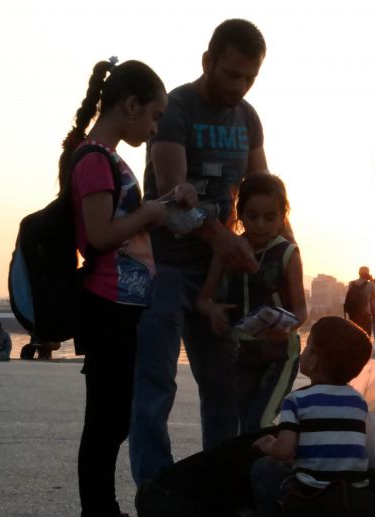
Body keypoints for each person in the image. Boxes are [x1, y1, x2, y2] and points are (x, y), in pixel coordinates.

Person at [61, 57, 197, 517]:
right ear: (130, 105)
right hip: (106, 303)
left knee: (114, 416)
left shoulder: (105, 158)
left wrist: (165, 203)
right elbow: (98, 236)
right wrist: (151, 210)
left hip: (122, 302)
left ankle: (106, 514)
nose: (156, 127)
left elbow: (125, 225)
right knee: (105, 419)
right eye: (154, 116)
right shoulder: (95, 158)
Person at [130, 19, 268, 487]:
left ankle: (221, 488)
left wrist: (278, 251)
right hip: (166, 266)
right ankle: (156, 492)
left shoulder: (247, 118)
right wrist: (223, 239)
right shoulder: (177, 108)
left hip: (217, 273)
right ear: (207, 61)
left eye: (249, 77)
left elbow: (260, 192)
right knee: (155, 387)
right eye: (231, 74)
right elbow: (170, 194)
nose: (239, 86)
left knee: (223, 387)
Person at [248, 316, 373, 517]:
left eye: (307, 346)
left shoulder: (297, 401)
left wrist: (267, 445)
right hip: (352, 495)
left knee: (263, 469)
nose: (303, 351)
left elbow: (284, 451)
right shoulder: (358, 402)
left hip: (311, 495)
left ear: (313, 360)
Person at [196, 173, 307, 432]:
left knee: (258, 422)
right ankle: (262, 468)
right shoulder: (230, 249)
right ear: (240, 214)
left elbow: (301, 311)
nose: (260, 225)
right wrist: (212, 310)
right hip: (244, 353)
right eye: (252, 216)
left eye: (269, 217)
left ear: (282, 216)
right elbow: (203, 299)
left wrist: (286, 327)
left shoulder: (288, 253)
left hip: (281, 355)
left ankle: (278, 461)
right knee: (245, 425)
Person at [343, 267, 375, 337]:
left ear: (359, 273)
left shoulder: (351, 283)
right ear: (368, 274)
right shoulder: (371, 285)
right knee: (366, 337)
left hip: (353, 315)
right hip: (365, 315)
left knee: (354, 337)